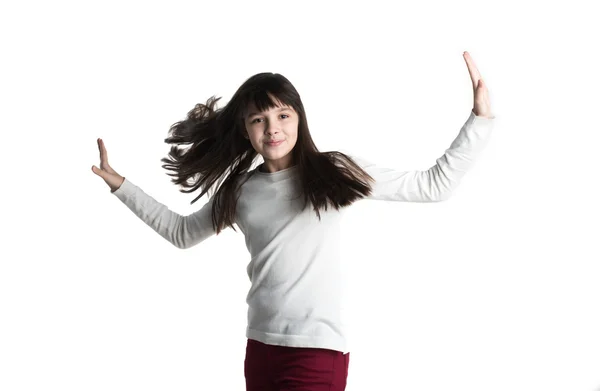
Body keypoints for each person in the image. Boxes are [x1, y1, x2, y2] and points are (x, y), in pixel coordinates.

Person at [92, 51, 495, 391]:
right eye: (258, 120)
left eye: (282, 115)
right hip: (261, 349)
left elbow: (433, 185)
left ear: (299, 118)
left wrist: (478, 120)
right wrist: (120, 185)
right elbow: (180, 233)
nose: (273, 129)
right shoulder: (241, 190)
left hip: (318, 351)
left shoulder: (337, 170)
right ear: (247, 130)